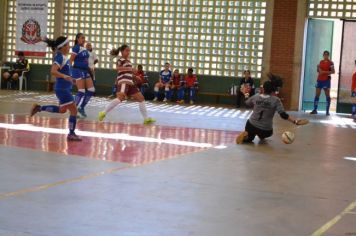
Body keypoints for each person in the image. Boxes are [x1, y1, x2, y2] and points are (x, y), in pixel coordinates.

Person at [30, 36, 81, 141]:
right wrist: (65, 76)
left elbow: (64, 72)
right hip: (63, 89)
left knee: (62, 110)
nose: (69, 47)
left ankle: (39, 108)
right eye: (67, 45)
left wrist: (70, 79)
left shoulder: (62, 56)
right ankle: (71, 134)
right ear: (62, 47)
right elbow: (53, 71)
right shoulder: (60, 57)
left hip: (62, 88)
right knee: (74, 111)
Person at [236, 76, 308, 144]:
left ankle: (247, 135)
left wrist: (245, 94)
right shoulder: (276, 100)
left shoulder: (256, 96)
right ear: (273, 90)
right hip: (265, 129)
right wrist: (294, 121)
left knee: (249, 139)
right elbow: (283, 115)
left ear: (263, 88)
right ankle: (261, 135)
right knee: (267, 134)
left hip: (251, 124)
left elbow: (246, 104)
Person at [98, 44, 156, 124]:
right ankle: (103, 113)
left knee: (141, 98)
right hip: (123, 81)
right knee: (120, 98)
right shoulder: (120, 59)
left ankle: (146, 119)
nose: (128, 52)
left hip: (130, 83)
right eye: (127, 51)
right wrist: (131, 69)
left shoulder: (128, 61)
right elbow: (118, 69)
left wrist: (135, 77)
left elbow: (127, 72)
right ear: (122, 51)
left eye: (129, 51)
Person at [70, 33, 95, 118]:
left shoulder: (84, 48)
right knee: (81, 91)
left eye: (84, 38)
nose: (84, 39)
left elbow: (85, 60)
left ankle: (82, 107)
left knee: (91, 90)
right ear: (77, 39)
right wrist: (70, 74)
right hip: (77, 70)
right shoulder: (76, 47)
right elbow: (70, 61)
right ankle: (74, 110)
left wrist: (89, 67)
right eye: (82, 38)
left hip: (86, 70)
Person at [310, 50, 335, 116]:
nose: (325, 56)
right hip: (319, 80)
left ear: (328, 55)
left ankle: (327, 111)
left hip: (326, 80)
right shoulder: (321, 62)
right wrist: (317, 68)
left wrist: (324, 72)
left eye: (327, 54)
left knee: (327, 95)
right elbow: (318, 71)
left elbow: (333, 71)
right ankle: (315, 110)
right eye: (324, 54)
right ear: (323, 55)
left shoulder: (331, 63)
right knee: (317, 94)